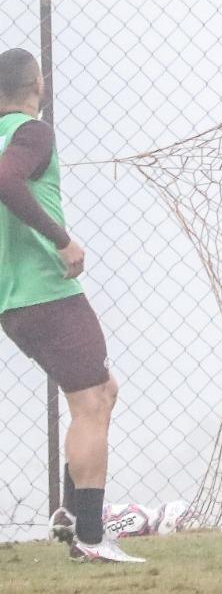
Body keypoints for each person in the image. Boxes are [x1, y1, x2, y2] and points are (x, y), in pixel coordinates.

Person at [0, 48, 143, 564]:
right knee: (91, 403)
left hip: (14, 299)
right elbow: (6, 181)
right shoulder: (32, 133)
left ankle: (68, 511)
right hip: (48, 292)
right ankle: (89, 535)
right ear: (38, 83)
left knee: (102, 389)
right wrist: (61, 240)